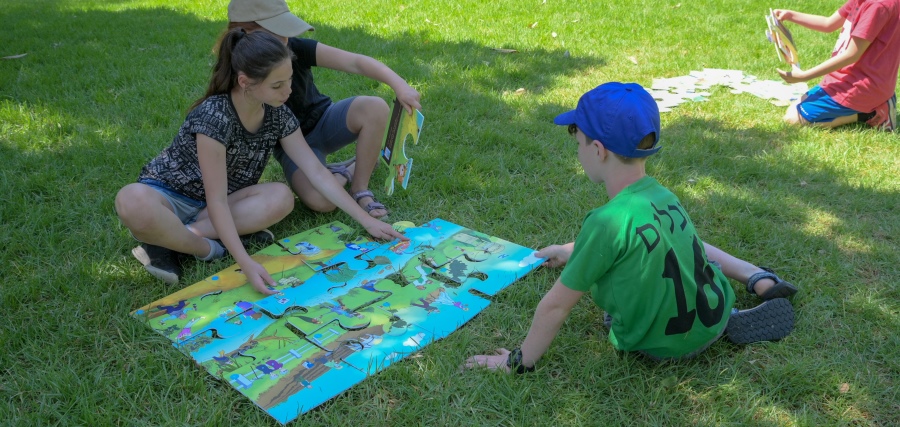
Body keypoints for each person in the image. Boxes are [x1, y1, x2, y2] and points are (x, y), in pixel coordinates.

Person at [464, 83, 797, 372]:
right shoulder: (664, 196)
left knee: (614, 315)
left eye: (578, 143)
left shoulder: (605, 221)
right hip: (717, 311)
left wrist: (518, 362)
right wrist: (570, 251)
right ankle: (742, 296)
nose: (578, 152)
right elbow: (620, 241)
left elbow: (556, 305)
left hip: (657, 346)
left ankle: (690, 324)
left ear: (598, 150)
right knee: (676, 241)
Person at [115, 30, 405, 293]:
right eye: (277, 85)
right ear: (246, 83)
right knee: (132, 200)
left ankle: (170, 241)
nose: (288, 91)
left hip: (222, 203)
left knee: (281, 196)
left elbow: (316, 171)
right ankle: (209, 249)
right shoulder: (214, 117)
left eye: (289, 79)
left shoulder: (278, 114)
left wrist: (366, 220)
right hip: (173, 196)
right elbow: (215, 201)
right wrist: (245, 261)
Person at [227, 0, 423, 219]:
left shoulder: (294, 46)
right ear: (247, 31)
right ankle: (348, 169)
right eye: (278, 32)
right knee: (321, 201)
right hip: (292, 148)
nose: (285, 40)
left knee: (374, 107)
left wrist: (399, 85)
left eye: (286, 32)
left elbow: (355, 62)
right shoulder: (236, 74)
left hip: (325, 121)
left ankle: (360, 189)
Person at [775, 2, 900, 131]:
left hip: (861, 87)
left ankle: (870, 113)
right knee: (795, 107)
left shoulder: (878, 6)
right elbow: (828, 24)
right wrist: (790, 15)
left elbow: (852, 55)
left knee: (792, 120)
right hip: (844, 80)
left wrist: (804, 76)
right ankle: (873, 106)